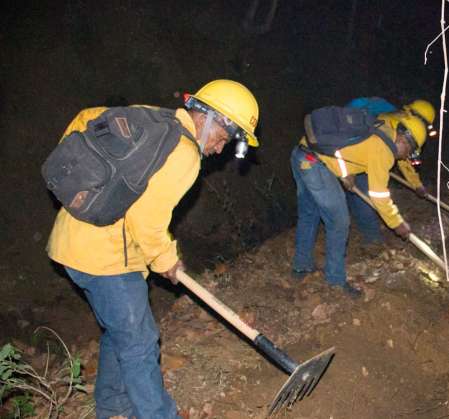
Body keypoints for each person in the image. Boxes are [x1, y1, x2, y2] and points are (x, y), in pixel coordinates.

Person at [45, 79, 260, 419]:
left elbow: (83, 120)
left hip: (72, 242)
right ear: (210, 119)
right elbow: (147, 220)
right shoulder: (184, 153)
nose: (220, 150)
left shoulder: (152, 119)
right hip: (108, 259)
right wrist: (166, 261)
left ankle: (114, 406)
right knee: (140, 342)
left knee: (121, 332)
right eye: (225, 138)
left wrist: (88, 195)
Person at [290, 110, 428, 298]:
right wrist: (397, 223)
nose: (405, 158)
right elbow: (379, 195)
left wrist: (347, 172)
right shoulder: (385, 151)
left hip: (301, 154)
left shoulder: (382, 128)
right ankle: (336, 282)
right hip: (315, 164)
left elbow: (348, 148)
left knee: (309, 213)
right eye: (409, 152)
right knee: (339, 222)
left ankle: (301, 266)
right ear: (404, 140)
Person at [344, 97, 437, 247]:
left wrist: (416, 184)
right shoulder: (394, 122)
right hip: (360, 159)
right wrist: (396, 223)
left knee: (359, 196)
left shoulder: (399, 121)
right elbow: (401, 156)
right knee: (366, 198)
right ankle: (372, 242)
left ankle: (362, 228)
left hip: (362, 157)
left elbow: (403, 156)